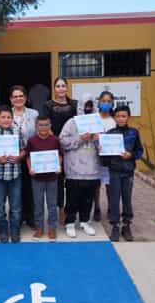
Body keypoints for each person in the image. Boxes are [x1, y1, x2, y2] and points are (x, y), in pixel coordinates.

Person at [59, 95, 101, 238]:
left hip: (92, 167)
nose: (88, 108)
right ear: (80, 106)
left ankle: (85, 221)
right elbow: (63, 141)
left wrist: (98, 140)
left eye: (90, 106)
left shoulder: (98, 123)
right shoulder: (71, 122)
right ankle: (69, 222)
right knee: (72, 197)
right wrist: (80, 139)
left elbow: (105, 147)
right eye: (85, 105)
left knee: (88, 197)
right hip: (74, 168)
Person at [0, 105, 26, 243]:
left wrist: (19, 157)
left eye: (9, 117)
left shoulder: (17, 132)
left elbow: (23, 149)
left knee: (15, 206)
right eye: (3, 117)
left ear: (12, 119)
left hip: (15, 174)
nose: (6, 120)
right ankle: (3, 231)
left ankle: (15, 231)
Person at [104, 105, 143, 242]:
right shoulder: (109, 133)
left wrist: (130, 155)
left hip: (128, 172)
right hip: (114, 171)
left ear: (128, 117)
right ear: (114, 117)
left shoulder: (134, 132)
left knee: (127, 199)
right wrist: (103, 150)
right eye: (118, 116)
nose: (121, 119)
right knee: (114, 199)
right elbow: (104, 156)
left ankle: (126, 226)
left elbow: (139, 151)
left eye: (123, 116)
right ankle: (115, 226)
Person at [42, 77, 78, 224]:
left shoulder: (75, 104)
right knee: (57, 179)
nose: (61, 89)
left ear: (67, 88)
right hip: (55, 147)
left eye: (63, 86)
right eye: (58, 86)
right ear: (54, 89)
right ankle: (60, 209)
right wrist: (58, 143)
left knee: (71, 180)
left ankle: (71, 209)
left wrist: (70, 142)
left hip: (72, 147)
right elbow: (45, 125)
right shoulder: (48, 105)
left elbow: (79, 123)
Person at [26, 114, 62, 241]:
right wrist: (30, 168)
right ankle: (39, 228)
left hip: (52, 178)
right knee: (38, 204)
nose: (44, 127)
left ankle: (52, 228)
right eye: (41, 125)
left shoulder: (55, 140)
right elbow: (28, 157)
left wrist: (59, 166)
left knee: (52, 205)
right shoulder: (31, 141)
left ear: (50, 125)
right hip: (37, 179)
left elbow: (59, 155)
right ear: (36, 126)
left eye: (46, 124)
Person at [10, 85, 39, 229]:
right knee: (16, 188)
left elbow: (40, 132)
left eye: (21, 96)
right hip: (13, 158)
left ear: (25, 98)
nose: (18, 99)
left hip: (31, 156)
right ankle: (18, 216)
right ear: (11, 99)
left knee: (30, 188)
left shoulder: (34, 114)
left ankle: (31, 217)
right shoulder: (6, 114)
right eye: (15, 96)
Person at [93, 91, 116, 222]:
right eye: (104, 101)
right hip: (95, 157)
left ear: (112, 104)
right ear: (99, 102)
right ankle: (96, 208)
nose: (106, 103)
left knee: (109, 185)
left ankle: (111, 208)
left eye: (108, 101)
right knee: (96, 185)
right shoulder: (94, 118)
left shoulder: (114, 121)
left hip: (109, 159)